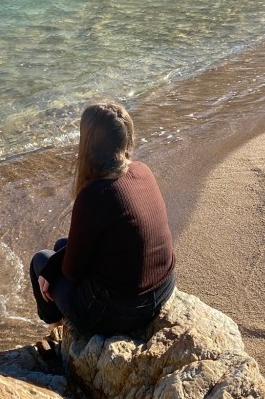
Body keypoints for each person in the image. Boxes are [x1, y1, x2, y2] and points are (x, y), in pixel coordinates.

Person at [29, 100, 176, 337]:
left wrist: (51, 267)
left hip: (124, 311)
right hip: (163, 288)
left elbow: (72, 271)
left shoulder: (95, 195)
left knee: (40, 261)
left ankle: (58, 334)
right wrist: (58, 263)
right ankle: (61, 328)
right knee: (60, 246)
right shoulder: (142, 170)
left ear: (88, 145)